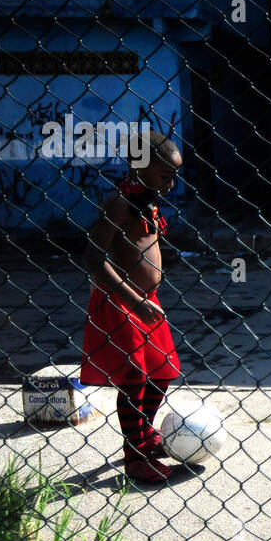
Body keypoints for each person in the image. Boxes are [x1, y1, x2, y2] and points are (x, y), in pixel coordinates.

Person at [79, 130, 183, 483]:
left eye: (174, 176)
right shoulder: (119, 202)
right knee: (134, 379)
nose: (171, 183)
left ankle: (145, 433)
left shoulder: (147, 202)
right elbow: (93, 257)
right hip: (122, 301)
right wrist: (135, 300)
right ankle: (135, 456)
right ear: (141, 166)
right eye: (166, 175)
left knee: (164, 370)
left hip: (146, 302)